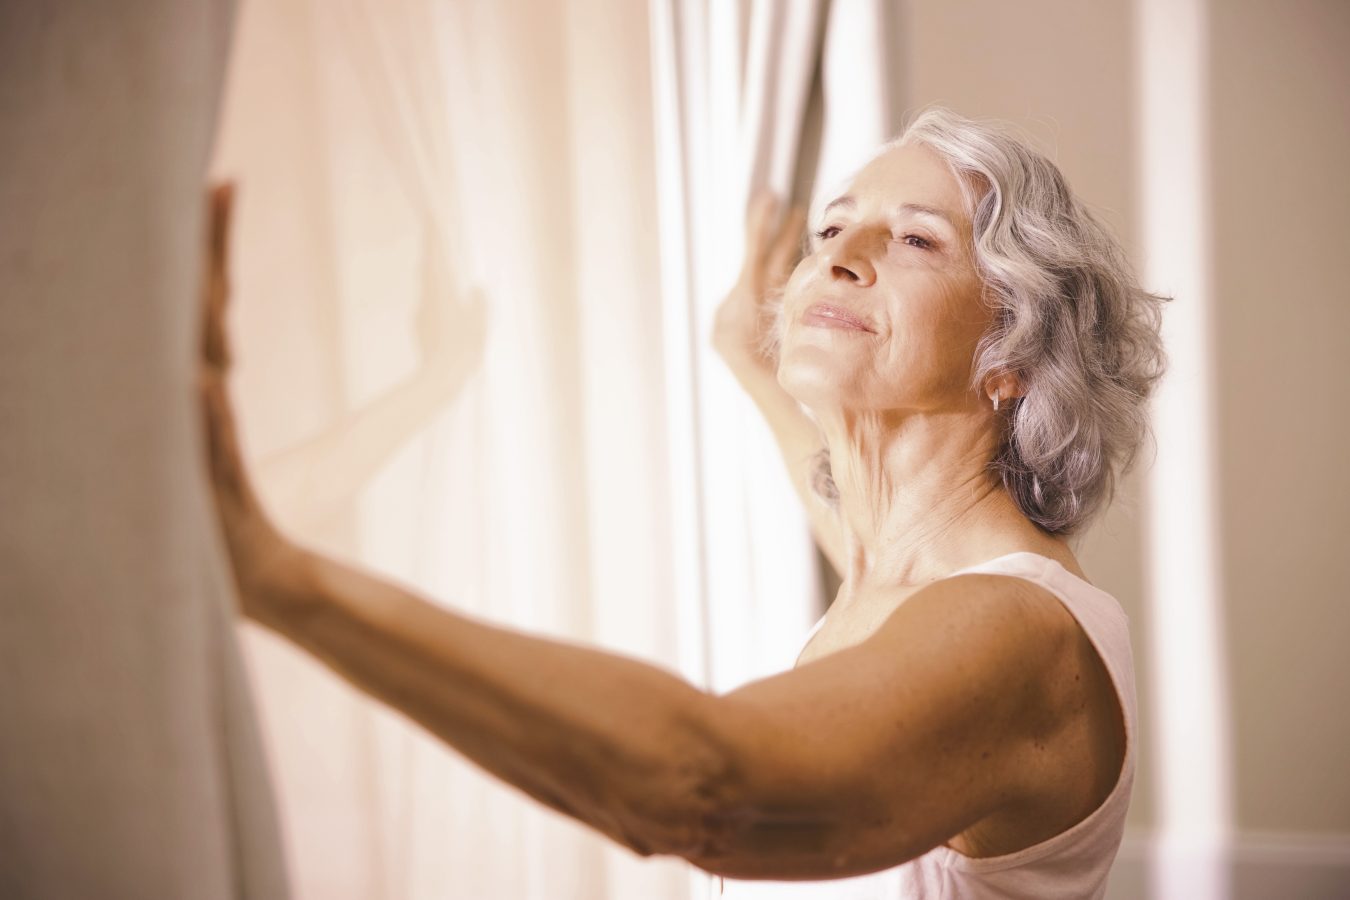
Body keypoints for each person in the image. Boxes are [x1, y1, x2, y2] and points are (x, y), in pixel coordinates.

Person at [198, 106, 1167, 898]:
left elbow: (709, 787)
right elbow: (862, 531)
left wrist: (281, 579)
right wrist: (747, 355)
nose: (842, 254)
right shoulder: (901, 570)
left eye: (917, 239)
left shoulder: (1016, 631)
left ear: (1013, 356)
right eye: (832, 229)